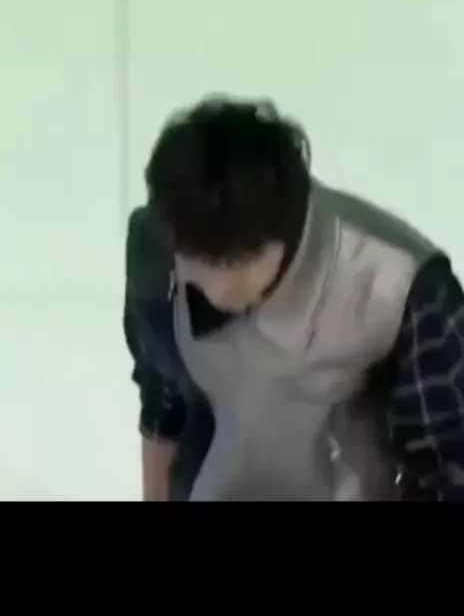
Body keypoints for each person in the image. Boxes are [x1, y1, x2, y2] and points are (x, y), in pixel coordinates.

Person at [123, 96, 464, 501]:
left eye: (227, 263)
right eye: (191, 259)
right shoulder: (157, 243)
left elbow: (449, 470)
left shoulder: (403, 284)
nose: (208, 286)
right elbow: (162, 398)